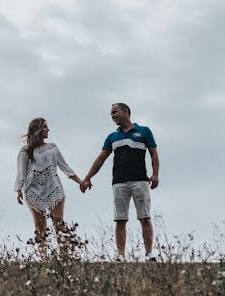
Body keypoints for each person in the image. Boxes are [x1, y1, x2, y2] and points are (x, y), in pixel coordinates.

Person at [80, 103, 160, 261]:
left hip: (140, 181)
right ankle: (121, 255)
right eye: (111, 114)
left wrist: (155, 174)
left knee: (144, 217)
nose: (112, 116)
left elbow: (154, 155)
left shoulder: (144, 131)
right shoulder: (112, 137)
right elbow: (101, 159)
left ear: (126, 112)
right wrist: (88, 177)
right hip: (119, 182)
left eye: (115, 112)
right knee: (120, 219)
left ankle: (149, 253)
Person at [14, 117, 83, 255]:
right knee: (40, 226)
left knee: (58, 221)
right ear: (37, 129)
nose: (48, 129)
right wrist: (19, 190)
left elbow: (64, 166)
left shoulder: (52, 147)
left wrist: (80, 181)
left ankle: (64, 255)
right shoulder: (25, 151)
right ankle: (44, 258)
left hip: (54, 188)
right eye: (45, 127)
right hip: (33, 191)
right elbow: (21, 172)